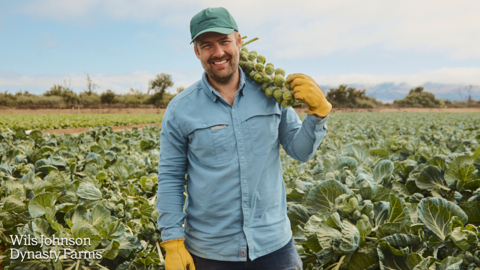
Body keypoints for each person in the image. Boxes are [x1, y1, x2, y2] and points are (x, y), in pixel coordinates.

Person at [156, 7, 332, 270]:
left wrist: (318, 114)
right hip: (210, 250)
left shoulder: (272, 94)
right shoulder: (180, 109)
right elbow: (170, 176)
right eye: (207, 45)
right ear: (197, 51)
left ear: (238, 41)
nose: (218, 53)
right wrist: (172, 240)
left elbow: (300, 150)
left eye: (224, 41)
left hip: (273, 246)